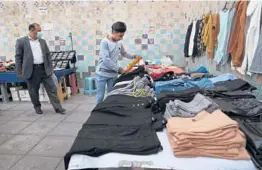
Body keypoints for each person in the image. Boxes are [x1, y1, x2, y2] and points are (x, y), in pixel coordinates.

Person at [15, 23, 66, 114]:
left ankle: (58, 108)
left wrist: (51, 68)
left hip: (44, 69)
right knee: (33, 90)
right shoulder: (21, 41)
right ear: (31, 30)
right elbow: (18, 57)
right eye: (38, 31)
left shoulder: (42, 41)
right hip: (32, 70)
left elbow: (47, 55)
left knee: (52, 88)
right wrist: (19, 71)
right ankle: (37, 107)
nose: (39, 33)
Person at [95, 21, 142, 104]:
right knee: (100, 95)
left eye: (122, 35)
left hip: (112, 74)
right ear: (114, 33)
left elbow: (124, 53)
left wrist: (135, 56)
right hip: (102, 73)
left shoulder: (119, 43)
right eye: (120, 35)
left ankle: (109, 111)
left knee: (111, 95)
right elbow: (106, 60)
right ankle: (97, 113)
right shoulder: (105, 42)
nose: (121, 38)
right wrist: (119, 69)